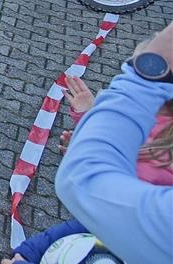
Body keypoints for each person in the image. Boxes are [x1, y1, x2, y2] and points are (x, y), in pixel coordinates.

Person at [55, 21, 173, 263]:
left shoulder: (163, 155)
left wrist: (145, 76)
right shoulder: (152, 125)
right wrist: (86, 123)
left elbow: (85, 182)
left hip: (111, 235)